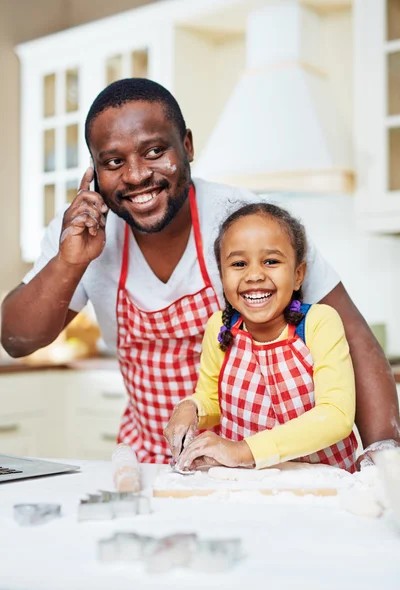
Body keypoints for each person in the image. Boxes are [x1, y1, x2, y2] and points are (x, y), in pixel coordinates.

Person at [1, 78, 398, 465]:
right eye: (114, 161)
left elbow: (355, 339)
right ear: (95, 170)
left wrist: (385, 461)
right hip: (154, 461)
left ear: (186, 145)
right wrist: (70, 261)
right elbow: (16, 340)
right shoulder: (80, 229)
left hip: (258, 458)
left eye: (155, 151)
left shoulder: (243, 221)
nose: (137, 175)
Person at [164, 203, 358, 472]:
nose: (254, 275)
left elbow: (336, 416)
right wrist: (191, 407)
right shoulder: (219, 328)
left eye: (271, 261)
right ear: (222, 276)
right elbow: (212, 399)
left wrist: (244, 450)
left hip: (322, 484)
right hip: (246, 483)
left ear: (298, 274)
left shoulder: (319, 323)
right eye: (239, 264)